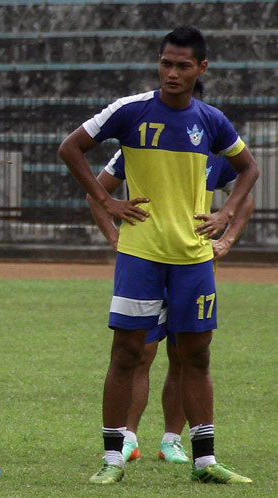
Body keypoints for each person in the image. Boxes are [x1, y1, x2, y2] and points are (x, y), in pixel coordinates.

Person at [58, 25, 258, 485]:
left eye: (183, 65)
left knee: (197, 356)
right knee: (127, 353)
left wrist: (226, 213)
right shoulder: (130, 111)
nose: (172, 72)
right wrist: (105, 201)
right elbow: (71, 147)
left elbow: (249, 168)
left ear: (200, 68)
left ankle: (204, 461)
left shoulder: (210, 120)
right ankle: (112, 459)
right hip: (141, 255)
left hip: (193, 258)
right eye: (166, 62)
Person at [88, 124, 253, 465]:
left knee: (184, 356)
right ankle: (128, 439)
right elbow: (96, 193)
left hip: (192, 265)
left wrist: (227, 236)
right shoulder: (137, 147)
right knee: (140, 352)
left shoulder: (212, 152)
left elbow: (245, 194)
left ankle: (171, 440)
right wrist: (114, 238)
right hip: (146, 263)